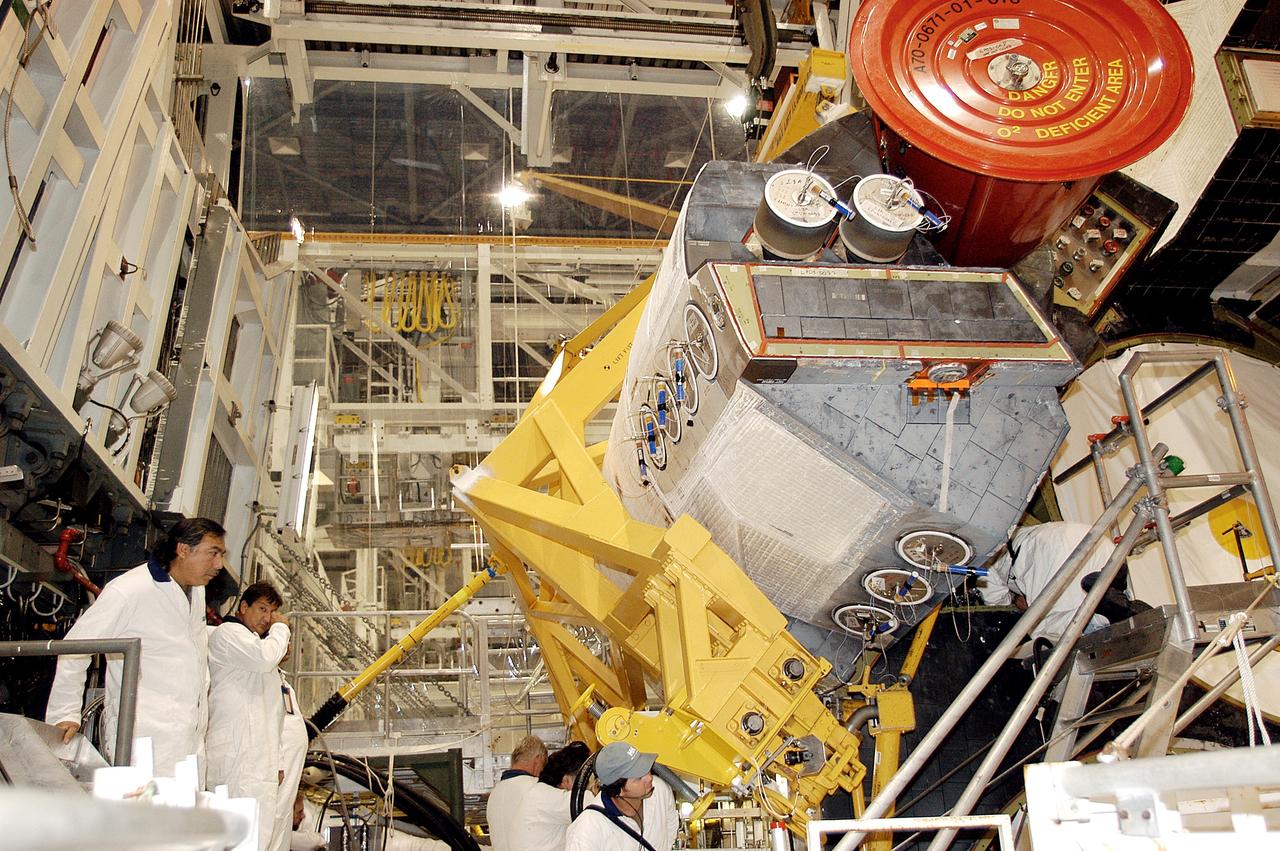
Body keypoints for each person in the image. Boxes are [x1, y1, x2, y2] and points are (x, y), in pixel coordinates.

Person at [45, 517, 226, 777]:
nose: (218, 564)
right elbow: (75, 646)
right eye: (213, 553)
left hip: (187, 741)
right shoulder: (131, 590)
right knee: (140, 816)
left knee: (181, 816)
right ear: (184, 550)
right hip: (142, 741)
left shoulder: (196, 592)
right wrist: (65, 713)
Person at [206, 581, 292, 851]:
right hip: (236, 758)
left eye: (272, 612)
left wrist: (275, 761)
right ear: (243, 607)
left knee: (256, 839)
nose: (267, 618)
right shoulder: (229, 634)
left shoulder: (253, 647)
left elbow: (272, 714)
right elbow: (266, 657)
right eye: (262, 609)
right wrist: (281, 628)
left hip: (257, 762)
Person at [981, 520, 1135, 644]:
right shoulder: (1019, 528)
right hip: (1095, 540)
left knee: (1042, 627)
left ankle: (1101, 618)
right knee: (1090, 598)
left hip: (1048, 554)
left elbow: (995, 602)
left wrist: (1015, 601)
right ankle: (1120, 601)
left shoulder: (981, 553)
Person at [565, 742, 678, 851]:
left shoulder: (660, 790)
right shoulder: (587, 828)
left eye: (646, 769)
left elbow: (671, 829)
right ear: (617, 789)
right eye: (639, 777)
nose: (649, 778)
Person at [512, 741, 591, 850]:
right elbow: (587, 802)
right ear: (566, 781)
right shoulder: (543, 796)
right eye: (587, 784)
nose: (588, 788)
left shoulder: (540, 793)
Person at [486, 735, 548, 851]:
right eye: (543, 766)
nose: (542, 772)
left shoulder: (494, 794)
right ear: (538, 760)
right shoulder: (536, 788)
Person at [270, 674, 308, 851]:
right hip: (280, 769)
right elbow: (268, 723)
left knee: (281, 821)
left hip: (290, 768)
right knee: (273, 821)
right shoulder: (266, 676)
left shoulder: (282, 681)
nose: (289, 646)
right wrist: (277, 762)